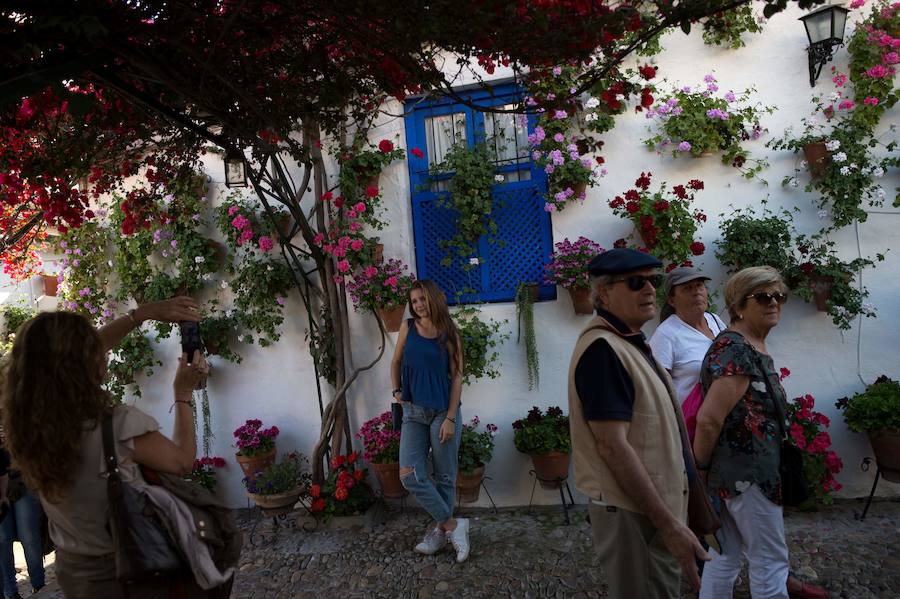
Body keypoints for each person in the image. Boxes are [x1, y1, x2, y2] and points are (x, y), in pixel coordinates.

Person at [1, 298, 211, 598]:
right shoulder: (116, 424)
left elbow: (57, 361)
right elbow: (181, 462)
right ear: (86, 363)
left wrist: (142, 314)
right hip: (128, 570)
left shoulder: (25, 427)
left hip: (76, 572)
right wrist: (183, 393)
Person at [567, 248, 708, 598]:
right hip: (634, 512)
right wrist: (668, 524)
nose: (649, 290)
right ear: (603, 293)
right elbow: (612, 446)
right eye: (635, 282)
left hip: (648, 507)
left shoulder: (629, 342)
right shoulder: (604, 350)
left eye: (652, 281)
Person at [694, 267, 825, 599]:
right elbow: (709, 419)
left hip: (741, 474)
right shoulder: (736, 349)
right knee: (769, 561)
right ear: (738, 305)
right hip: (747, 476)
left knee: (724, 556)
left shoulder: (748, 345)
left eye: (779, 296)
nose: (774, 303)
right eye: (763, 297)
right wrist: (701, 469)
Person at [389, 280, 468, 562]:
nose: (418, 304)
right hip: (413, 413)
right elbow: (396, 361)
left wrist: (450, 417)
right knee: (409, 475)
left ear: (433, 298)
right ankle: (452, 525)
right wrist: (397, 390)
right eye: (414, 301)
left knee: (445, 475)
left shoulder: (450, 333)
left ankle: (439, 532)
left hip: (442, 413)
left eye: (422, 299)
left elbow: (457, 377)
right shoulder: (408, 327)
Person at [648, 267, 726, 403]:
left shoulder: (715, 320)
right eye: (687, 288)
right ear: (672, 301)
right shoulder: (666, 334)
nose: (696, 292)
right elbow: (656, 388)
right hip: (690, 420)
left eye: (699, 286)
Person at [0, 445, 45, 599]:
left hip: (22, 477)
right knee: (3, 540)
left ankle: (39, 585)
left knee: (29, 536)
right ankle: (11, 592)